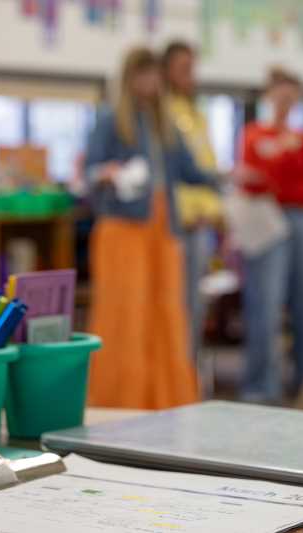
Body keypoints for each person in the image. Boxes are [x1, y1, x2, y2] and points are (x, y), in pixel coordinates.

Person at [85, 47, 214, 409]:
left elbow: (191, 170)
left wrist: (224, 179)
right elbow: (90, 171)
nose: (151, 82)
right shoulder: (111, 118)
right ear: (130, 78)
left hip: (162, 229)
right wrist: (107, 173)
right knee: (126, 316)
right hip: (123, 227)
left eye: (155, 74)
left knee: (166, 313)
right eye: (144, 74)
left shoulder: (165, 124)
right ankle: (120, 398)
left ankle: (164, 396)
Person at [235, 66, 303, 402]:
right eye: (280, 92)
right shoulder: (252, 135)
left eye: (292, 93)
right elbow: (248, 179)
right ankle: (261, 386)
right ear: (269, 94)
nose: (286, 99)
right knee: (265, 302)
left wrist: (275, 180)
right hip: (266, 223)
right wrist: (279, 176)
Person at [161, 40, 222, 362]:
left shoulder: (196, 112)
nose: (190, 75)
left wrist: (213, 212)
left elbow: (204, 170)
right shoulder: (162, 111)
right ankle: (175, 371)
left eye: (192, 68)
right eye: (184, 67)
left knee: (194, 305)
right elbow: (174, 174)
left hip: (200, 224)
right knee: (177, 303)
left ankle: (186, 371)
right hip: (178, 224)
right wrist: (190, 213)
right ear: (166, 70)